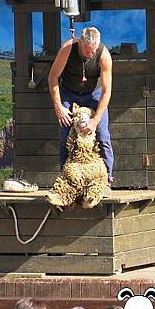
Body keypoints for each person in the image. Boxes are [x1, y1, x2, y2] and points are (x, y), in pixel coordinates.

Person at [48, 27, 114, 189]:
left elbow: (106, 91)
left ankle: (107, 180)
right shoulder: (67, 49)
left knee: (102, 134)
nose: (91, 54)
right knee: (65, 134)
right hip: (69, 92)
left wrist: (95, 121)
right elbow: (53, 78)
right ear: (80, 43)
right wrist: (59, 107)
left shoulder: (104, 55)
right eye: (87, 51)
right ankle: (66, 180)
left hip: (94, 93)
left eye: (93, 51)